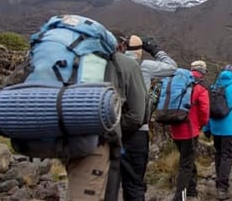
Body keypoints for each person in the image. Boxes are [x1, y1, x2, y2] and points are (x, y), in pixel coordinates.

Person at [82, 30, 146, 201]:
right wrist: (114, 126)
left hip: (83, 138)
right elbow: (137, 116)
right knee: (130, 186)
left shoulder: (80, 62)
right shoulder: (130, 65)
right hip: (123, 138)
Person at [120, 34, 177, 200]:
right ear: (139, 51)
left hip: (112, 130)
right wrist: (154, 49)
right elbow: (172, 67)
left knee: (111, 181)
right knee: (135, 184)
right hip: (137, 131)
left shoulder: (112, 64)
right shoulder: (144, 66)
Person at [204, 69, 232, 200]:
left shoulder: (214, 87)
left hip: (215, 128)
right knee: (227, 155)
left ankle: (219, 182)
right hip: (230, 129)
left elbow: (207, 109)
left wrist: (206, 128)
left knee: (219, 154)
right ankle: (222, 188)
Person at [169, 60, 210, 201]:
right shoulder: (200, 88)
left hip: (175, 129)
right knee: (185, 165)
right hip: (190, 131)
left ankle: (192, 189)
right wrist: (202, 125)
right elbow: (205, 112)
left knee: (187, 159)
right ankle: (180, 196)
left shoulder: (179, 83)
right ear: (203, 72)